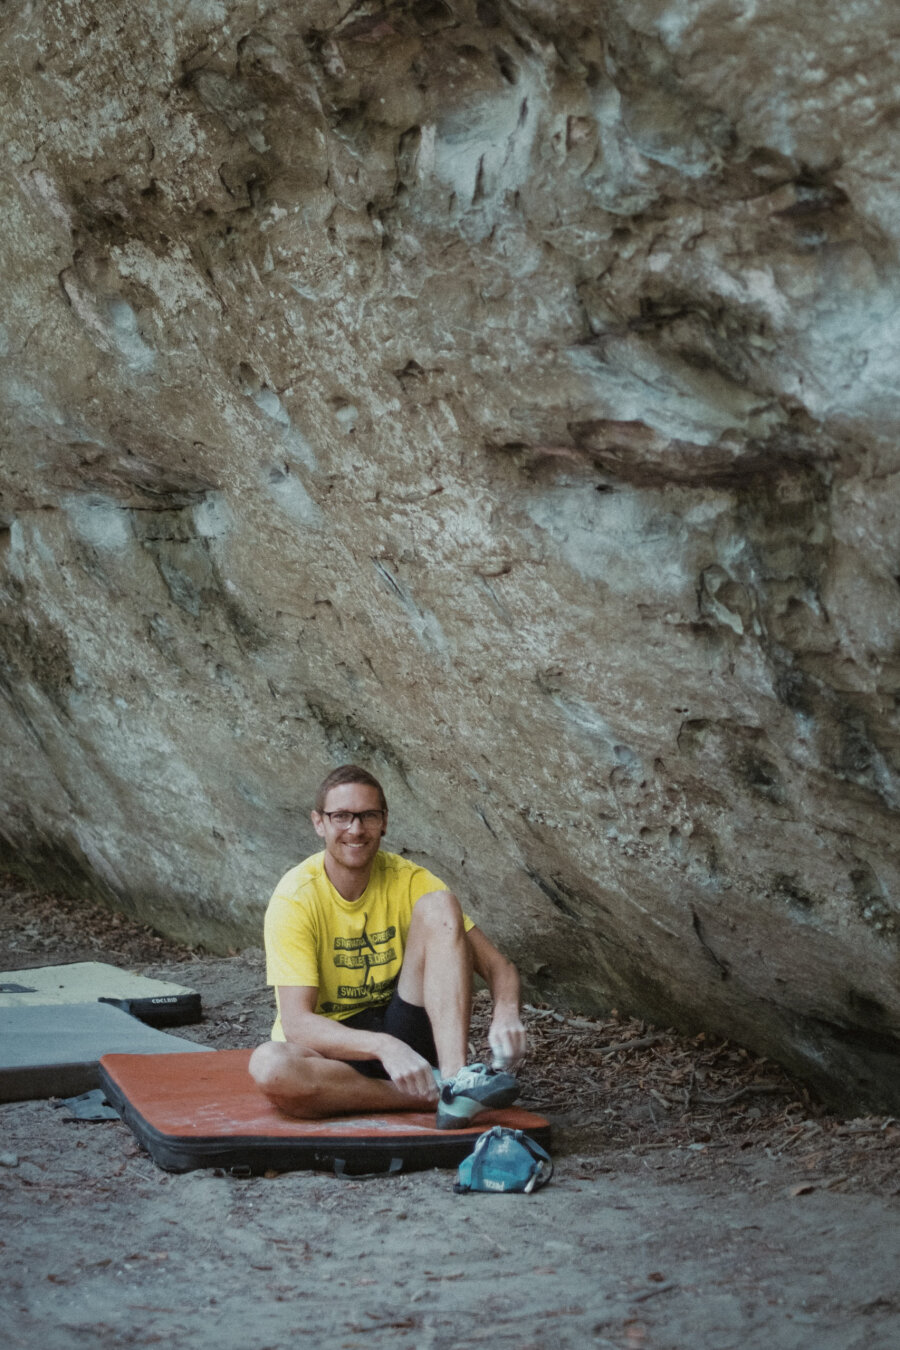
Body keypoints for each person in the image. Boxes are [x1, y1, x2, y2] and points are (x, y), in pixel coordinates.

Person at [249, 764, 527, 1128]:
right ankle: (435, 1094)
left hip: (406, 1028)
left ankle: (455, 1078)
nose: (356, 829)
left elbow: (498, 967)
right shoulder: (295, 898)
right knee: (270, 1067)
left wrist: (506, 1012)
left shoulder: (409, 880)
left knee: (440, 905)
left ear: (384, 822)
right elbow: (297, 1024)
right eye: (341, 816)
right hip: (335, 1049)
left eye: (368, 816)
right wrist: (383, 1046)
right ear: (319, 823)